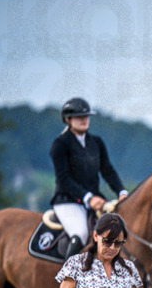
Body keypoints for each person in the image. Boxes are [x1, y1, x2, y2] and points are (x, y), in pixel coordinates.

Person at [49, 97, 129, 259]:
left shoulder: (96, 142)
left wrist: (121, 191)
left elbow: (108, 171)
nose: (84, 120)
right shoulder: (60, 144)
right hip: (68, 201)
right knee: (81, 233)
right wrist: (88, 198)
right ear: (68, 119)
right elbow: (63, 179)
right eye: (79, 117)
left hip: (94, 201)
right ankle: (67, 279)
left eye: (86, 116)